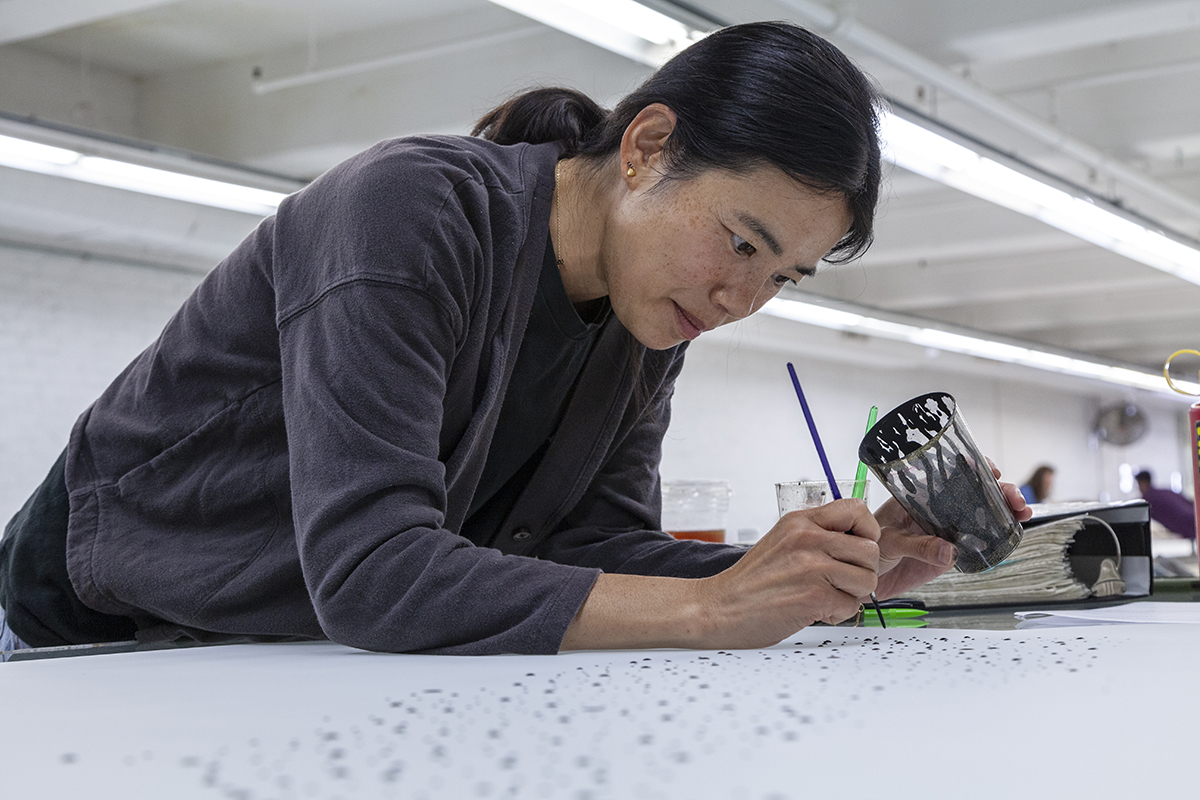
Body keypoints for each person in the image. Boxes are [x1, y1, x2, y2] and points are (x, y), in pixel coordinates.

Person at [0, 22, 1030, 657]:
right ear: (647, 148)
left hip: (253, 639)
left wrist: (801, 579)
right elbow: (374, 572)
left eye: (782, 275)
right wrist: (716, 610)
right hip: (88, 612)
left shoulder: (650, 312)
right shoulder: (407, 212)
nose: (741, 296)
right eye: (741, 240)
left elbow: (590, 545)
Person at [1135, 470, 1196, 540]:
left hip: (1187, 522)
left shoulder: (1147, 499)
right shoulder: (1163, 492)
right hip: (1194, 515)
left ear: (1142, 483)